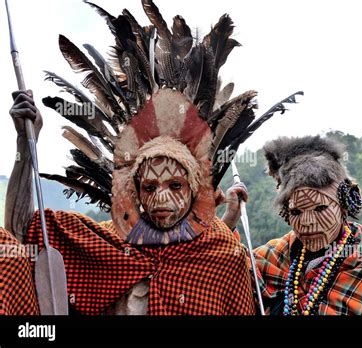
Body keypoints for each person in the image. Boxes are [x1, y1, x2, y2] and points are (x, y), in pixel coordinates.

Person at [1, 0, 289, 315]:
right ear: (136, 192)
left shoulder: (221, 255)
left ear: (193, 190)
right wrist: (25, 143)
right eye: (149, 188)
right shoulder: (107, 243)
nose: (161, 199)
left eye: (175, 186)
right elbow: (21, 228)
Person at [246, 135, 362, 315]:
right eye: (296, 212)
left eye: (320, 208)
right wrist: (228, 222)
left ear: (344, 207)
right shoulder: (276, 257)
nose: (307, 222)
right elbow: (229, 269)